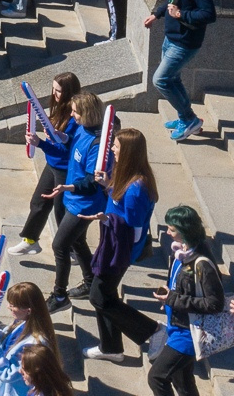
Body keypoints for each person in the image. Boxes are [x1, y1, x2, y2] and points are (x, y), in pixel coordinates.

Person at [83, 127, 159, 360]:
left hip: (119, 251)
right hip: (112, 246)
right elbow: (121, 205)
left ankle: (154, 331)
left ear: (127, 152)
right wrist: (108, 186)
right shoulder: (128, 178)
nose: (112, 149)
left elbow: (135, 233)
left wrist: (107, 219)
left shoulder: (136, 188)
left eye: (116, 146)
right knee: (105, 296)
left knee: (98, 296)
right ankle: (111, 347)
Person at [147, 206, 225, 396]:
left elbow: (215, 303)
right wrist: (169, 294)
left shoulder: (202, 264)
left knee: (156, 377)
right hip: (176, 326)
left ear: (185, 231)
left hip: (188, 332)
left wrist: (173, 298)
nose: (167, 232)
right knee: (181, 380)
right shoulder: (182, 253)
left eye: (172, 229)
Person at [141, 0, 214, 142]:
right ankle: (185, 117)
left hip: (185, 41)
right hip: (171, 37)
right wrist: (158, 14)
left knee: (161, 80)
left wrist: (182, 15)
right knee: (173, 79)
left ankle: (190, 119)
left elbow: (209, 14)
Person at [43, 90, 107, 311]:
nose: (71, 116)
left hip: (85, 204)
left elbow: (92, 182)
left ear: (87, 113)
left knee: (60, 245)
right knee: (77, 241)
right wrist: (59, 139)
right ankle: (90, 282)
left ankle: (59, 295)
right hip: (73, 198)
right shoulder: (81, 129)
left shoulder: (98, 145)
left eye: (75, 112)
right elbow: (73, 147)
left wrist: (68, 187)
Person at [13, 73, 80, 256]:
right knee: (38, 202)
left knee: (61, 211)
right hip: (53, 164)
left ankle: (72, 248)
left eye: (58, 90)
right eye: (53, 89)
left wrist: (40, 143)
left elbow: (65, 151)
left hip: (65, 169)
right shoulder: (60, 109)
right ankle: (30, 240)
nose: (54, 93)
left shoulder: (74, 117)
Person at [0, 282, 59, 396]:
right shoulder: (22, 322)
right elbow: (7, 340)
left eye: (13, 305)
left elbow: (7, 374)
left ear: (28, 310)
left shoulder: (35, 344)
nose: (9, 307)